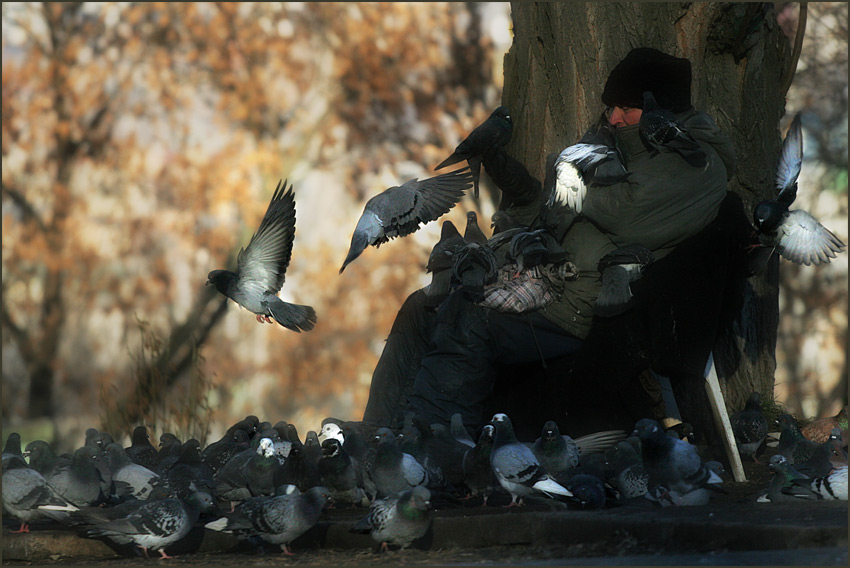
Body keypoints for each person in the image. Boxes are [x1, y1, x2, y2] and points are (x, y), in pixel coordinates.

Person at [362, 47, 743, 438]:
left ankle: (434, 446)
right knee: (421, 308)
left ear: (660, 107)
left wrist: (577, 189)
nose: (612, 118)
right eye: (610, 108)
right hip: (548, 273)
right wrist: (526, 196)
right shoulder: (626, 143)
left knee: (469, 317)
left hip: (582, 299)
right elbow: (553, 207)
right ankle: (380, 435)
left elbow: (629, 214)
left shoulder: (696, 164)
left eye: (625, 109)